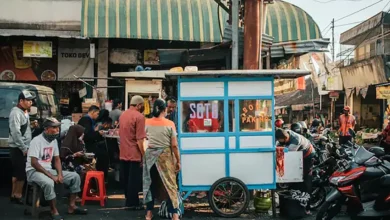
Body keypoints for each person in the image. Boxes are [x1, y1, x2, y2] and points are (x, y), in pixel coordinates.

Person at [26, 118, 87, 220]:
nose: (57, 130)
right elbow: (34, 163)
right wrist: (52, 176)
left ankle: (72, 206)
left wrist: (59, 174)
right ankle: (53, 210)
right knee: (49, 182)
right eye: (54, 127)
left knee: (75, 176)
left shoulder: (53, 141)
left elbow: (57, 159)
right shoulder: (36, 141)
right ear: (46, 129)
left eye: (58, 127)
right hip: (33, 171)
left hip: (47, 170)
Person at [144, 99, 181, 220]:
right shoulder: (170, 123)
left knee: (150, 184)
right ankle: (175, 214)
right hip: (165, 157)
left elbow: (143, 140)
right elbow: (174, 145)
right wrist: (178, 160)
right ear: (164, 110)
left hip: (150, 157)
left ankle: (149, 213)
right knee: (171, 185)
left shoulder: (147, 122)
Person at [275, 128, 315, 213]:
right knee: (294, 177)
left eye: (281, 140)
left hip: (308, 155)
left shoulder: (295, 140)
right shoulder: (284, 135)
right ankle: (292, 199)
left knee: (304, 178)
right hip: (298, 155)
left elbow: (288, 155)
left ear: (286, 138)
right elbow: (278, 147)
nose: (279, 141)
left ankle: (306, 206)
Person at [119, 95, 146, 209]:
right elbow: (140, 140)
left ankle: (128, 200)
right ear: (139, 105)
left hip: (123, 151)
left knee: (126, 178)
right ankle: (133, 203)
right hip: (134, 152)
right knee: (134, 179)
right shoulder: (139, 117)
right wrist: (144, 155)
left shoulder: (123, 115)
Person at [9, 91, 35, 204]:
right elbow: (16, 133)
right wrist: (24, 148)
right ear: (21, 101)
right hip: (18, 148)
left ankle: (13, 195)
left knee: (17, 173)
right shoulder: (16, 113)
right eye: (28, 100)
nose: (31, 102)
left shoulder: (24, 111)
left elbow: (23, 129)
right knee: (21, 174)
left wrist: (32, 126)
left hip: (23, 146)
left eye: (31, 100)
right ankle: (18, 195)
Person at [77, 106, 108, 179]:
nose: (98, 115)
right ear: (92, 112)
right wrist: (98, 133)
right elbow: (87, 135)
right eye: (97, 113)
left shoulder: (88, 120)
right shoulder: (86, 120)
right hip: (86, 146)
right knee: (103, 155)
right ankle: (100, 177)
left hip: (88, 144)